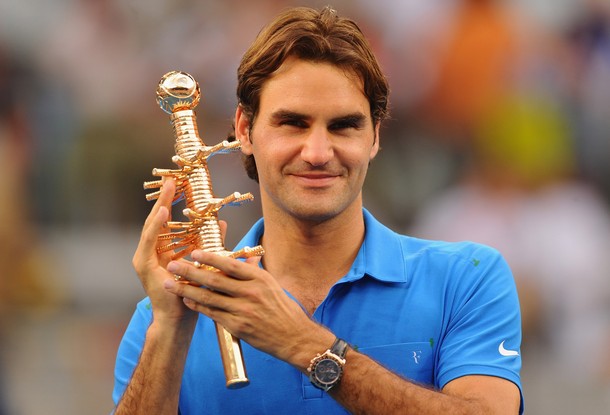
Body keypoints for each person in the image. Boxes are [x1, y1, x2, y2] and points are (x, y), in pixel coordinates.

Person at [112, 6, 523, 414]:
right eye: (292, 123)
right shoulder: (162, 316)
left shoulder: (466, 279)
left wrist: (306, 344)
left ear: (375, 137)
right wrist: (168, 333)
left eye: (344, 126)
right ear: (243, 131)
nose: (317, 153)